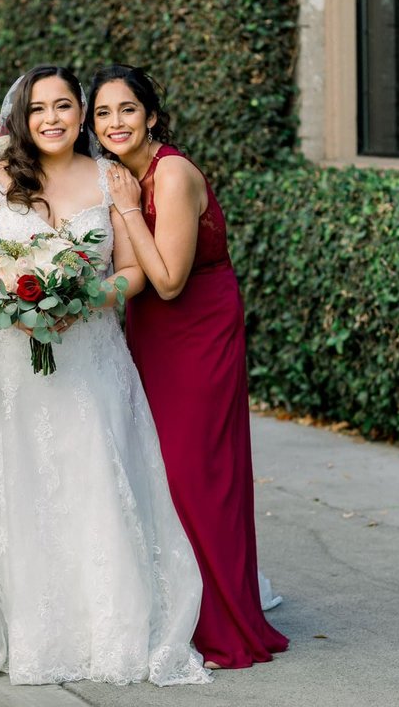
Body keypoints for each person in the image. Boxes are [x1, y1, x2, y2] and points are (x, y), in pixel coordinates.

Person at [0, 64, 210, 687]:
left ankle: (106, 628)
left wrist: (81, 301)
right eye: (39, 109)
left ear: (80, 115)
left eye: (65, 106)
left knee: (93, 475)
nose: (53, 119)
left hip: (89, 352)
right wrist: (13, 301)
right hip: (10, 356)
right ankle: (26, 630)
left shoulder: (111, 177)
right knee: (17, 482)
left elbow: (132, 270)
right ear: (21, 119)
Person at [90, 64, 289, 669]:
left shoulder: (169, 174)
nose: (114, 123)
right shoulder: (118, 174)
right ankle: (181, 601)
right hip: (151, 329)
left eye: (127, 110)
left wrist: (126, 211)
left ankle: (221, 620)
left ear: (151, 115)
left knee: (195, 471)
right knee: (159, 468)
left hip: (196, 324)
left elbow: (170, 281)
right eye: (102, 113)